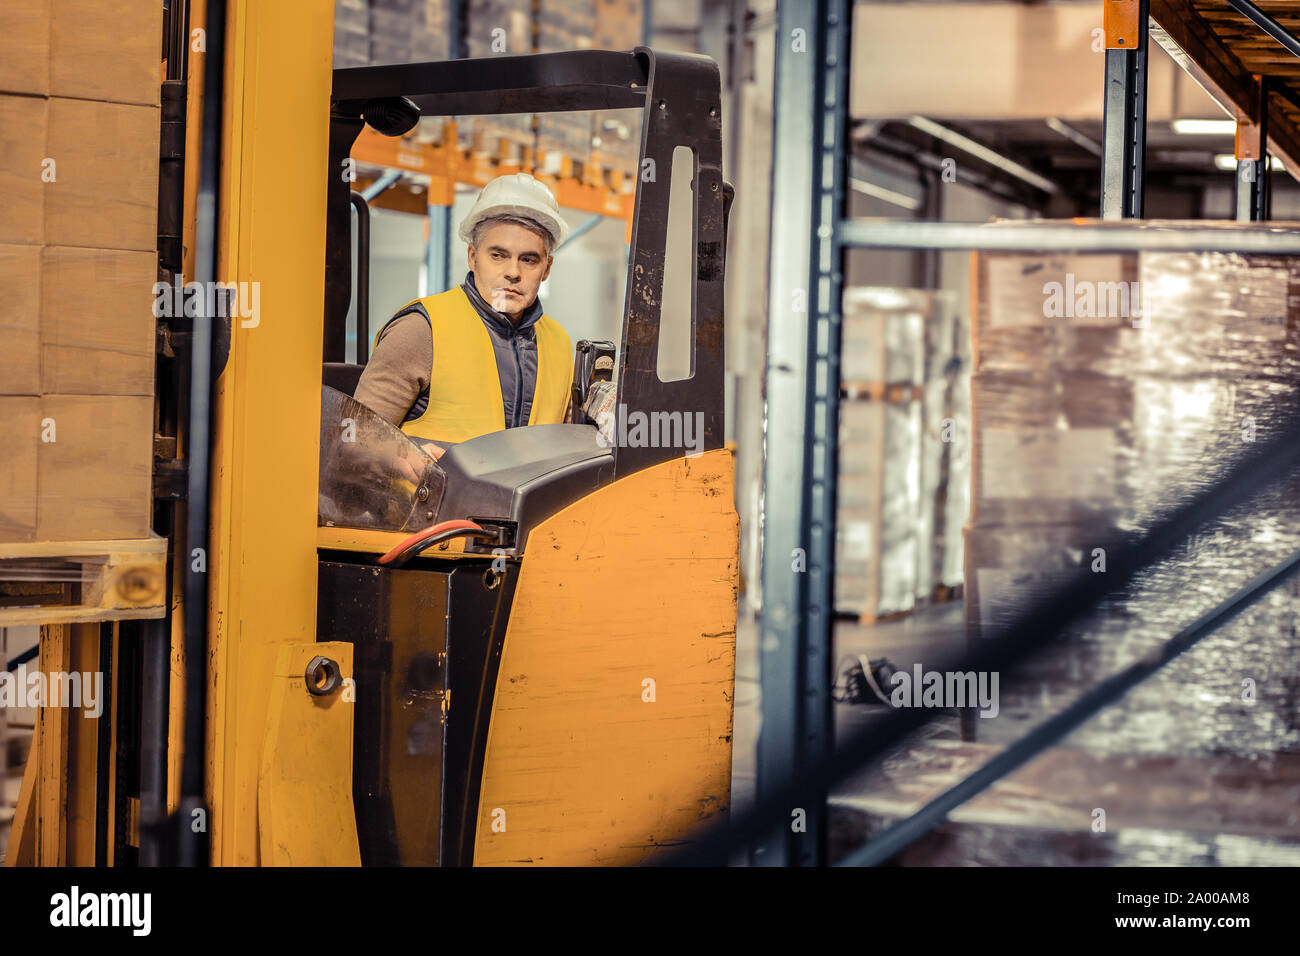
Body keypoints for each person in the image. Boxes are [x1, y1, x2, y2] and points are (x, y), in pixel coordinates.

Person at [354, 172, 574, 461]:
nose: (513, 272)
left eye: (529, 259)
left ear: (546, 268)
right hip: (435, 505)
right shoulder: (423, 330)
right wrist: (403, 457)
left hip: (530, 508)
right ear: (473, 256)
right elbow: (354, 440)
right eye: (498, 255)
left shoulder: (559, 343)